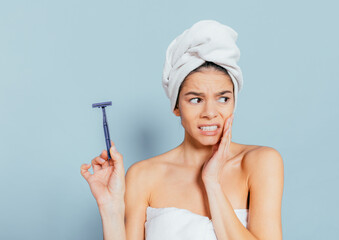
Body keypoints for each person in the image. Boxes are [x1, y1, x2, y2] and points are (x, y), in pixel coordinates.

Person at [81, 20, 284, 240]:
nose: (210, 112)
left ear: (234, 102)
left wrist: (212, 183)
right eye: (196, 99)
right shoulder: (143, 175)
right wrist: (110, 208)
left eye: (223, 98)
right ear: (177, 107)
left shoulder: (260, 162)